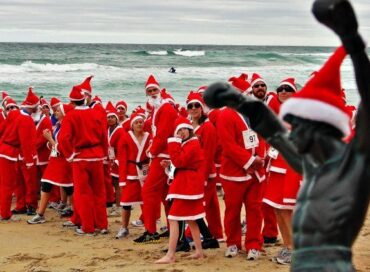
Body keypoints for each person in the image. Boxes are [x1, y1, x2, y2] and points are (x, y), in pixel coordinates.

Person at [203, 0, 370, 270]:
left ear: (321, 127)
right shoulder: (312, 163)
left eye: (298, 126)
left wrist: (353, 41)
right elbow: (272, 130)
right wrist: (238, 101)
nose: (292, 132)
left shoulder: (352, 164)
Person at [58, 85, 108, 236]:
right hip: (97, 155)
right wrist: (105, 154)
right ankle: (102, 224)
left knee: (83, 193)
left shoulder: (71, 116)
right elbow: (103, 135)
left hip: (81, 156)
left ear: (72, 102)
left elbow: (63, 138)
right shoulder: (95, 113)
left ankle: (88, 227)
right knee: (99, 191)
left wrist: (70, 155)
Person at [262, 78, 302, 264]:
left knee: (287, 209)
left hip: (290, 167)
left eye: (288, 89)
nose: (283, 91)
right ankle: (287, 246)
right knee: (277, 208)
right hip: (276, 165)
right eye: (280, 89)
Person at [134, 75, 178, 243]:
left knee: (149, 191)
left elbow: (162, 134)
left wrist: (151, 152)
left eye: (154, 90)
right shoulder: (157, 109)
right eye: (149, 91)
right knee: (165, 193)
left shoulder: (165, 109)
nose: (152, 93)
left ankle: (150, 229)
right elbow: (151, 128)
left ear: (160, 91)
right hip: (164, 155)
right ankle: (170, 227)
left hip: (162, 156)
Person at [155, 116, 205, 264]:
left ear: (190, 129)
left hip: (187, 185)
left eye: (184, 129)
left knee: (173, 218)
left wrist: (173, 142)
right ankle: (199, 252)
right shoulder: (190, 143)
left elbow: (180, 161)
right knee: (191, 219)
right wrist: (169, 163)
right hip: (189, 183)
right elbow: (182, 162)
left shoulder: (192, 143)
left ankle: (170, 255)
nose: (182, 132)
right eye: (179, 130)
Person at [27, 103, 74, 224]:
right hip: (55, 159)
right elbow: (54, 145)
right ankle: (40, 214)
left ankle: (76, 213)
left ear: (65, 114)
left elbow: (64, 148)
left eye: (58, 111)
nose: (55, 112)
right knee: (46, 184)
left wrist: (50, 139)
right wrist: (49, 140)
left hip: (63, 161)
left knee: (69, 188)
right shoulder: (59, 126)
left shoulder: (67, 127)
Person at [0, 97, 36, 221]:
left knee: (5, 183)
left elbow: (2, 129)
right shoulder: (26, 120)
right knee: (7, 185)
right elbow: (25, 142)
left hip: (3, 149)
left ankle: (3, 211)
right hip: (10, 153)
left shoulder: (14, 114)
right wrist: (29, 161)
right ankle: (4, 214)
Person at [116, 113, 151, 239]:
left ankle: (149, 228)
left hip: (146, 173)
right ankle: (124, 227)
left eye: (141, 122)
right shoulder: (125, 137)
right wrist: (122, 180)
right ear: (132, 125)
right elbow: (122, 159)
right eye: (136, 122)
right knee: (126, 202)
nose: (139, 124)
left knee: (146, 202)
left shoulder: (149, 137)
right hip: (131, 173)